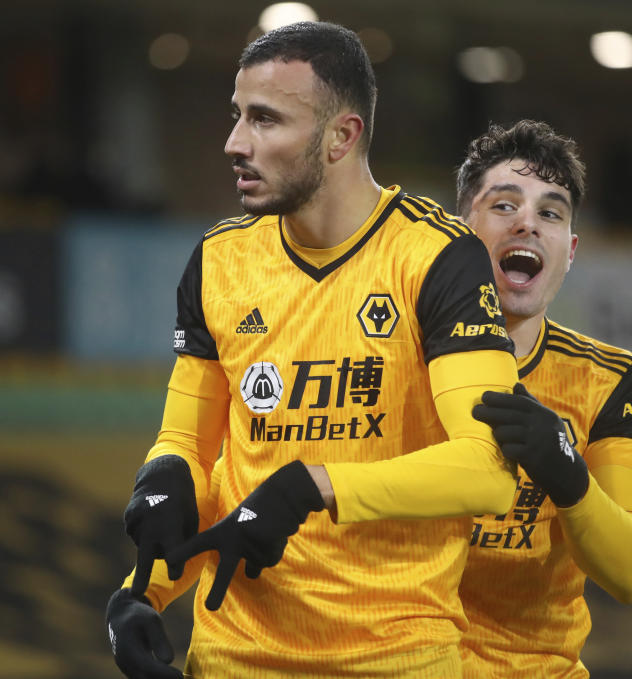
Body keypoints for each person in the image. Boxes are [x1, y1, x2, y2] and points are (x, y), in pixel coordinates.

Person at [105, 21, 522, 679]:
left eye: (265, 120)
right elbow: (189, 447)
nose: (234, 143)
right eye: (237, 117)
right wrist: (141, 590)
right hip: (232, 657)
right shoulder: (219, 261)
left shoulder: (437, 259)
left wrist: (316, 486)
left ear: (341, 136)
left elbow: (489, 469)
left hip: (396, 659)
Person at [459, 119, 632, 677]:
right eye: (503, 206)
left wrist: (570, 475)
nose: (527, 222)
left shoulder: (608, 381)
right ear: (458, 235)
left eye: (550, 213)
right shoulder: (391, 357)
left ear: (568, 251)